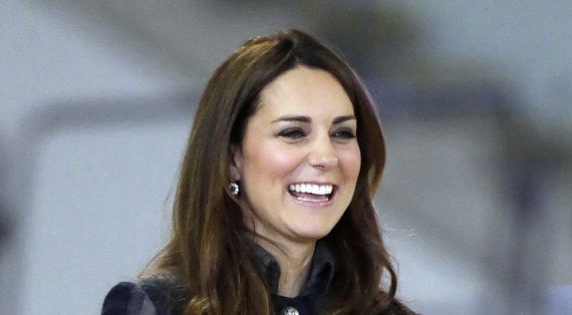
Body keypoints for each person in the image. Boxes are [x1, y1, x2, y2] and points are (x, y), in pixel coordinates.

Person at [101, 29, 415, 315]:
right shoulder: (156, 307)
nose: (326, 156)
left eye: (343, 133)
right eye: (293, 133)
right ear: (231, 159)